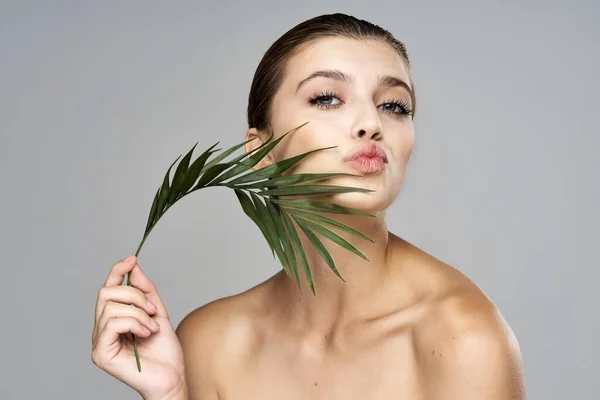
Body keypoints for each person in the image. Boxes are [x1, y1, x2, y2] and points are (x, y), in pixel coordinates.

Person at [91, 13, 526, 400]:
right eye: (327, 98)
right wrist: (169, 396)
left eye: (394, 105)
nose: (371, 124)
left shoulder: (460, 336)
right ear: (261, 153)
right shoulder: (212, 343)